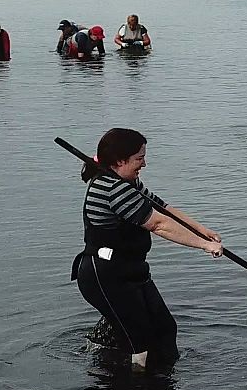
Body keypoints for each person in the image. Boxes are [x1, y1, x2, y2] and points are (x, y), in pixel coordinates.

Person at [72, 127, 223, 370]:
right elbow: (158, 224)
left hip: (131, 270)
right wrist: (204, 245)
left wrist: (201, 230)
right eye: (139, 158)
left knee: (165, 328)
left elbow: (162, 207)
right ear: (120, 161)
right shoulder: (114, 189)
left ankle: (161, 377)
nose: (144, 163)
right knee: (139, 340)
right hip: (104, 274)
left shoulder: (129, 182)